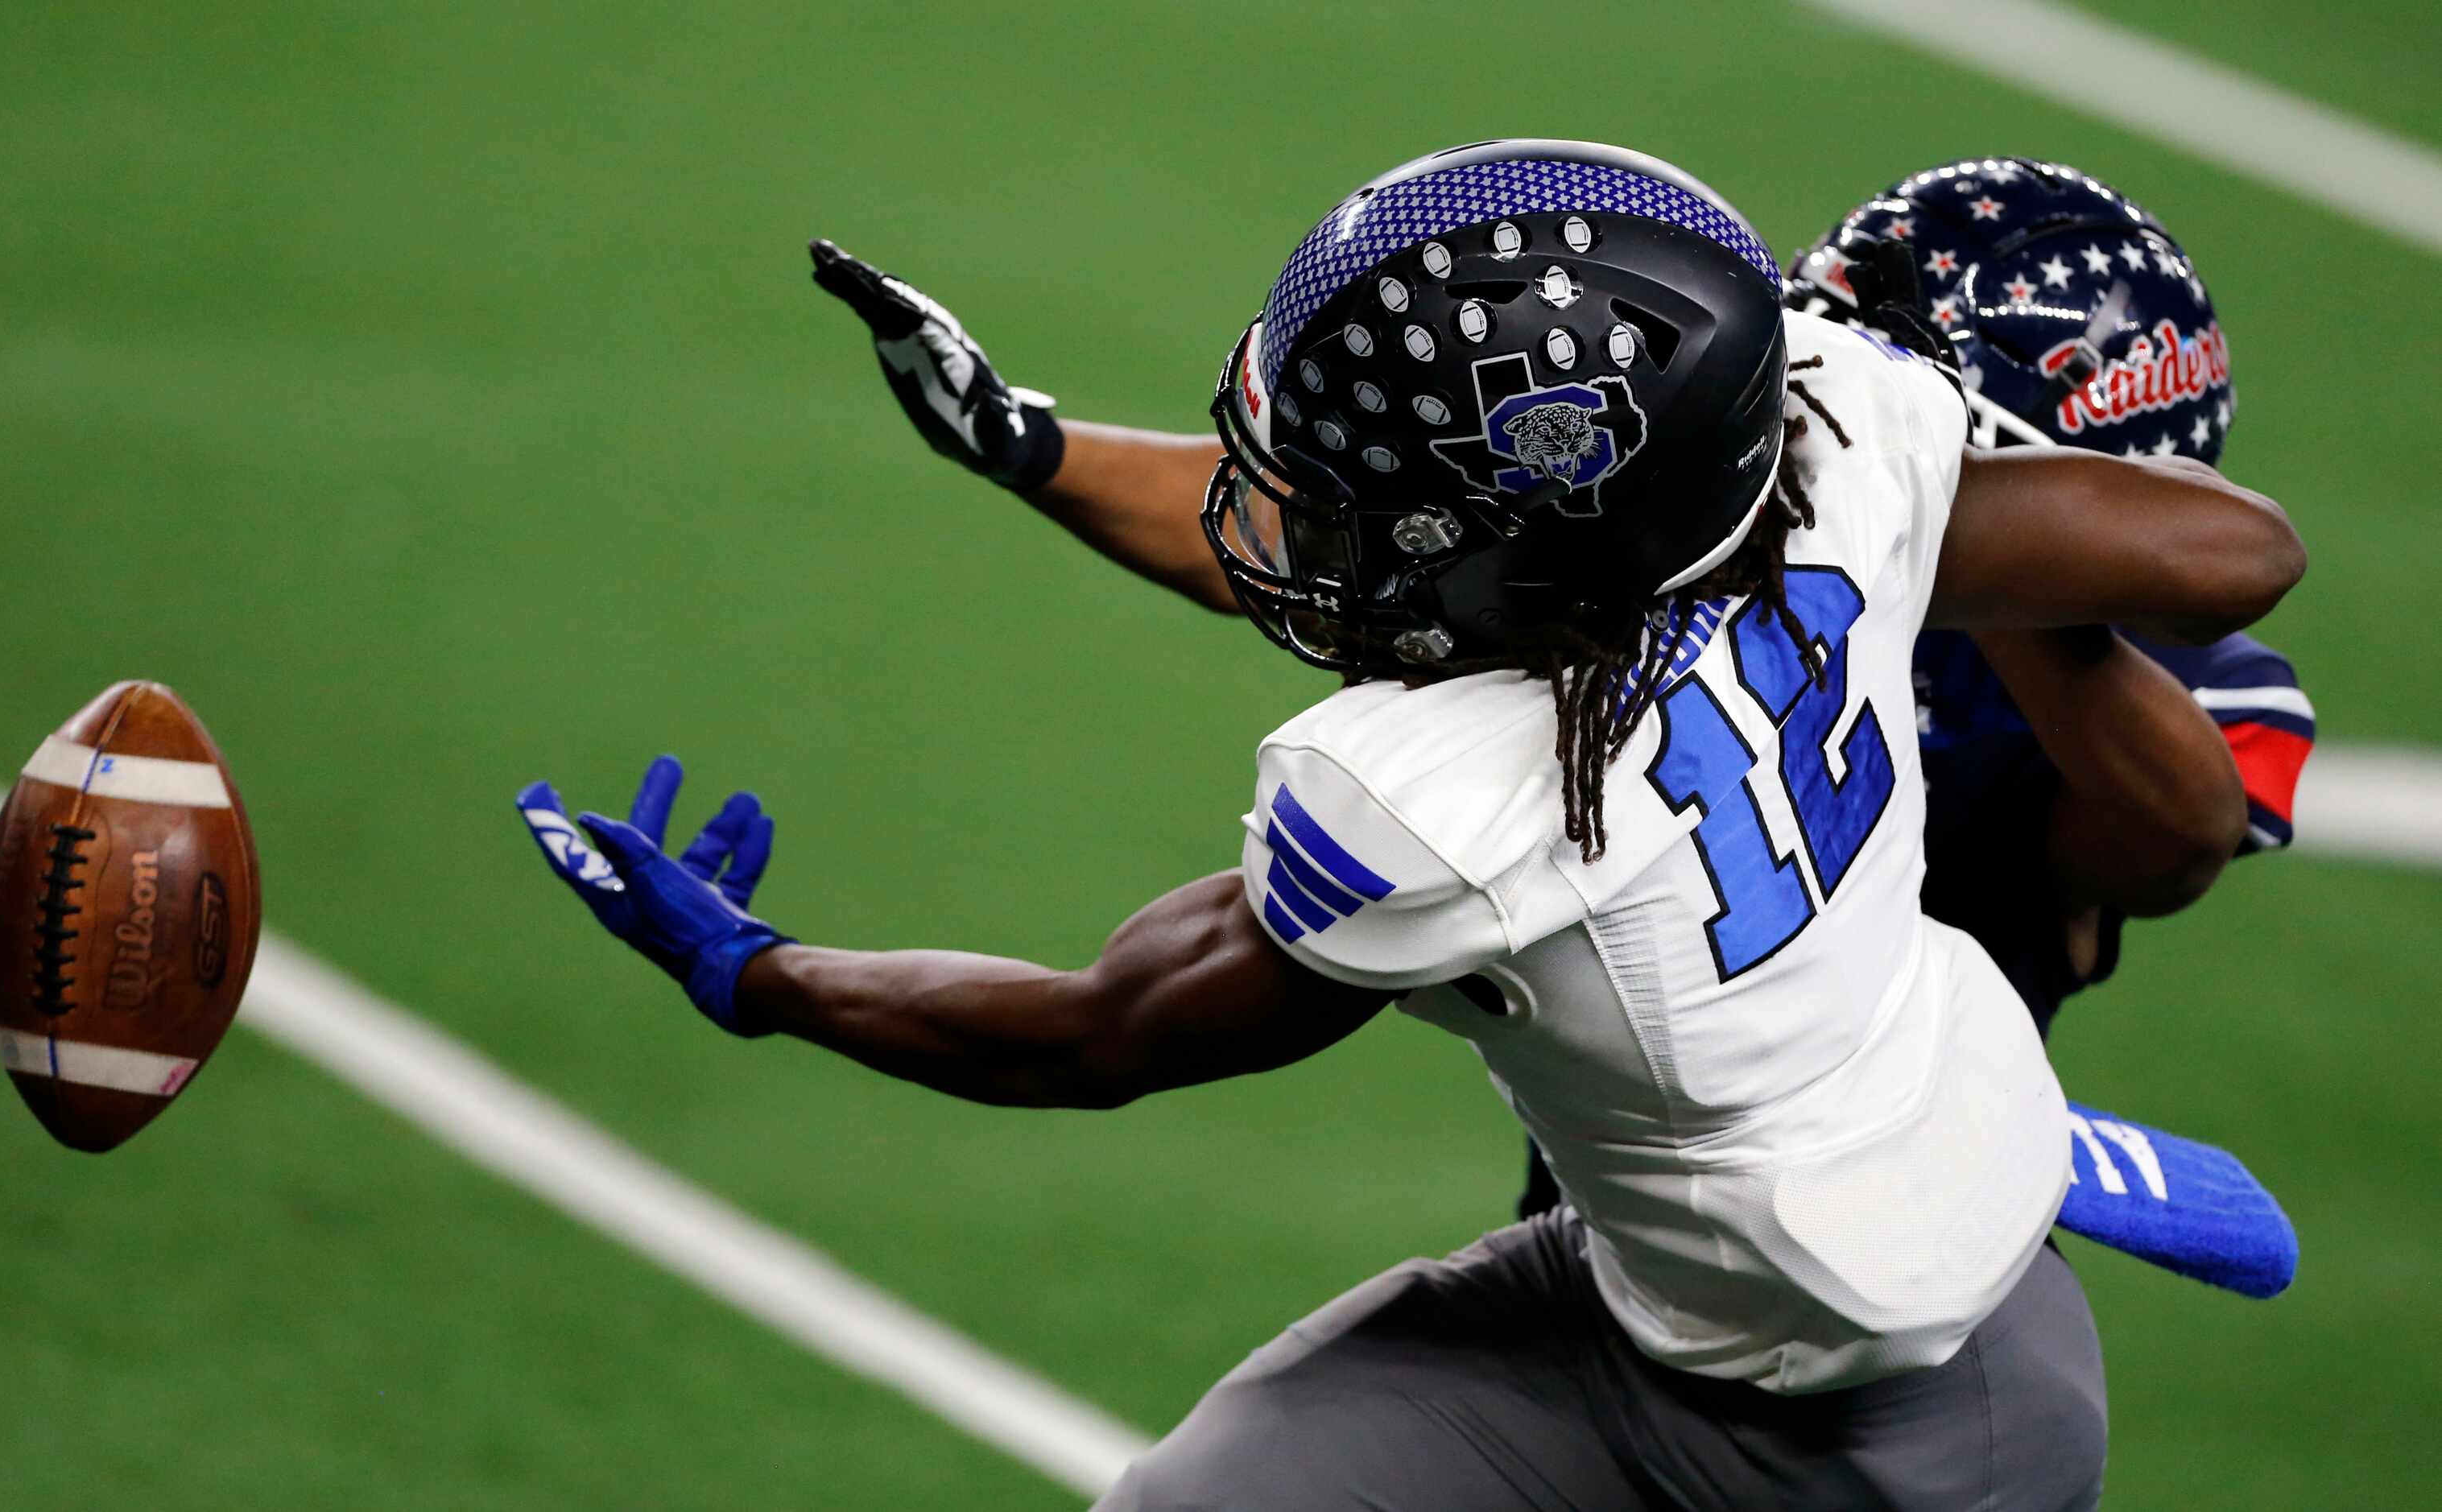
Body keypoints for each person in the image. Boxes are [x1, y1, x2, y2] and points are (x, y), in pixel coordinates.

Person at [522, 141, 2304, 1508]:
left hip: (1891, 1401)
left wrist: (765, 974)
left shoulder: (1451, 806)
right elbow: (2236, 547)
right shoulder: (1850, 468)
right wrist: (1911, 506)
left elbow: (1097, 1035)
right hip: (1672, 1276)